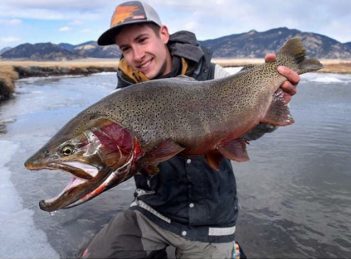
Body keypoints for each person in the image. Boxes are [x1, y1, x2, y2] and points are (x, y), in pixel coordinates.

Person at [81, 1, 300, 258]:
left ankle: (232, 251)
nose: (136, 55)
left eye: (142, 40)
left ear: (163, 34)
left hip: (212, 220)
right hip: (152, 211)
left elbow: (243, 132)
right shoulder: (122, 100)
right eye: (126, 48)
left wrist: (266, 106)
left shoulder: (212, 75)